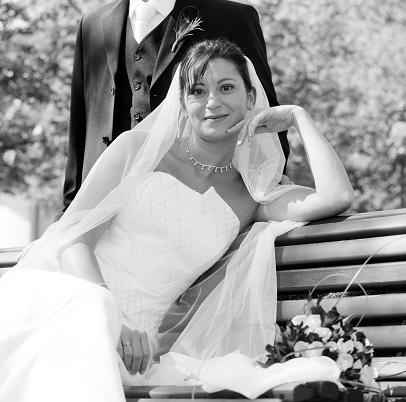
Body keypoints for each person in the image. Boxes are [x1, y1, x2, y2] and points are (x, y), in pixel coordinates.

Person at [0, 39, 353, 402]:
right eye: (197, 91)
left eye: (226, 87)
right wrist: (114, 317)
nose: (212, 102)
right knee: (86, 323)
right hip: (75, 297)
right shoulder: (136, 150)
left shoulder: (252, 196)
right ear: (183, 102)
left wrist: (297, 117)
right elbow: (75, 241)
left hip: (137, 351)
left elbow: (336, 196)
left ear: (251, 98)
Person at [63, 0, 289, 209]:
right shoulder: (92, 26)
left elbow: (266, 122)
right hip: (99, 211)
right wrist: (69, 211)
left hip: (192, 213)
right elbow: (79, 132)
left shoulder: (232, 20)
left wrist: (255, 201)